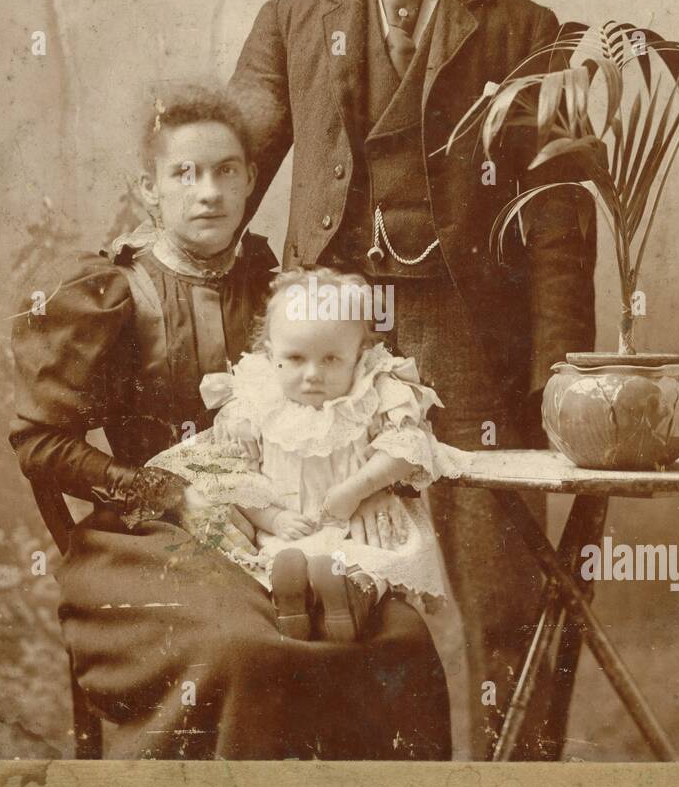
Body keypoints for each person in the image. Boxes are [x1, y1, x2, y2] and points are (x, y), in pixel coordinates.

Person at [229, 0, 597, 758]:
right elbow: (222, 172)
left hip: (468, 337)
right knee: (323, 577)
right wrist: (140, 251)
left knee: (497, 593)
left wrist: (558, 371)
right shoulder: (292, 19)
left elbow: (559, 222)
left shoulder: (526, 28)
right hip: (329, 349)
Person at [10, 88, 451, 760]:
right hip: (148, 539)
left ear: (249, 178)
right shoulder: (117, 293)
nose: (207, 192)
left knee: (402, 640)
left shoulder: (277, 288)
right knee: (247, 648)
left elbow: (352, 384)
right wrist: (167, 494)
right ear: (149, 189)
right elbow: (39, 443)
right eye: (184, 174)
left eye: (224, 170)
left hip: (290, 519)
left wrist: (373, 466)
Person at [149, 266, 472, 643]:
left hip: (360, 530)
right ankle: (293, 603)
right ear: (271, 355)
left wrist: (357, 488)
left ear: (359, 355)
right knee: (279, 563)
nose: (313, 374)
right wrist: (272, 517)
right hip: (288, 533)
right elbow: (233, 477)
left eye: (332, 359)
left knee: (373, 567)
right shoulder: (255, 403)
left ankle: (351, 599)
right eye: (296, 358)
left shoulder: (373, 391)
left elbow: (409, 449)